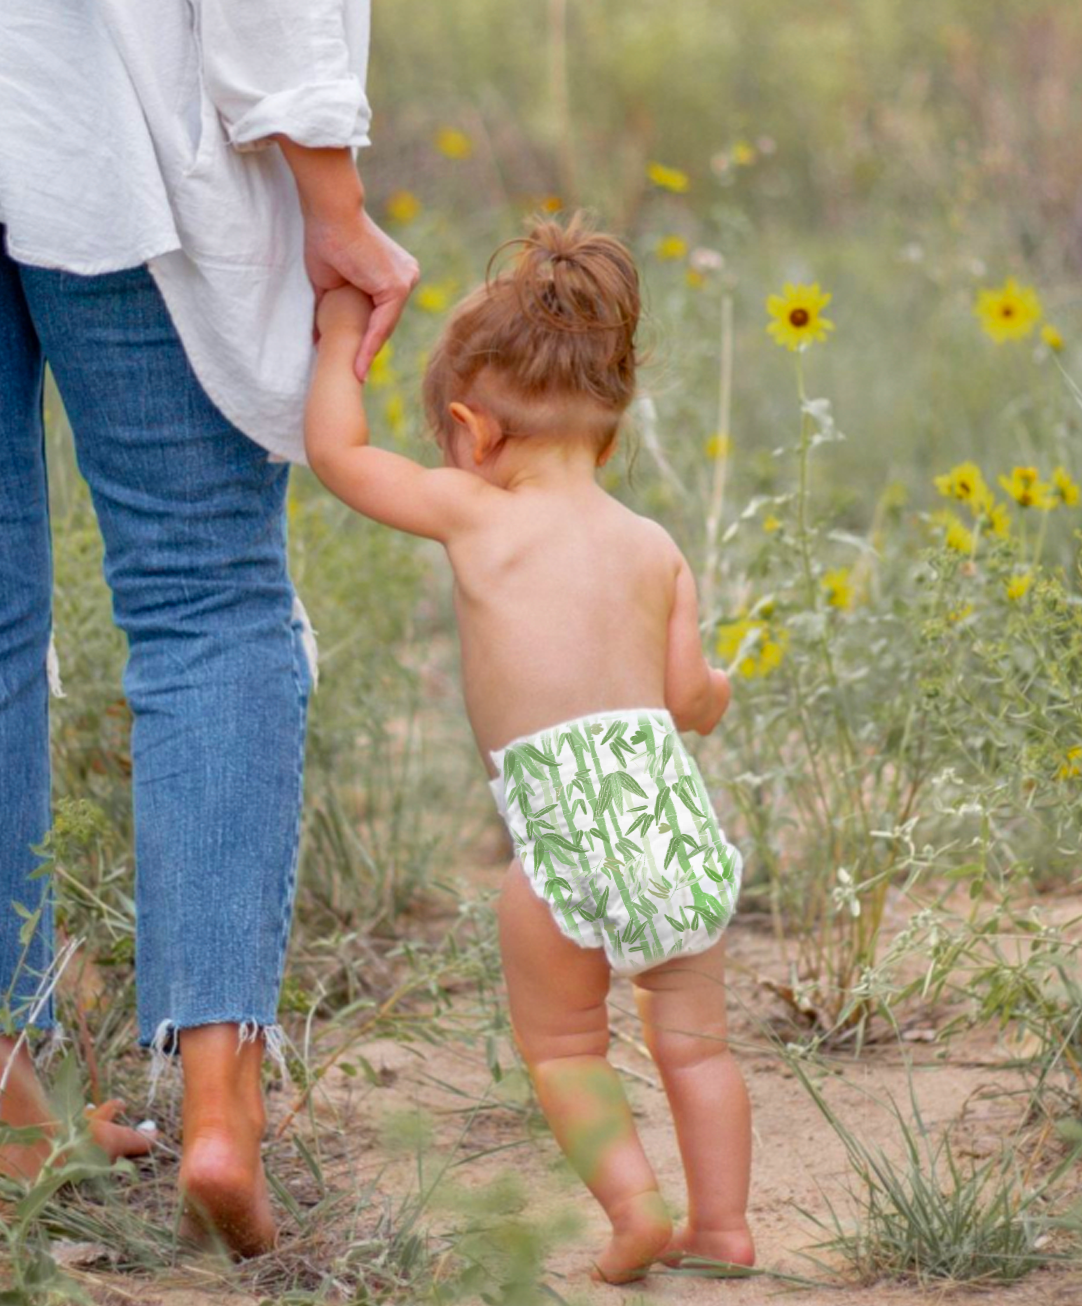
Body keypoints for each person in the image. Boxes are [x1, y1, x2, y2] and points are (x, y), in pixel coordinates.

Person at [0, 0, 416, 1255]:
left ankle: (0, 1097)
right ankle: (218, 1110)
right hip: (104, 109)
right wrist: (330, 197)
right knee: (205, 595)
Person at [304, 214, 755, 1283]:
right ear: (607, 426)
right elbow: (690, 700)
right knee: (695, 1044)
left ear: (472, 430)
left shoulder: (474, 514)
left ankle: (635, 1209)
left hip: (561, 839)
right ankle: (725, 1228)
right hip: (670, 827)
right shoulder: (654, 548)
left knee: (564, 1048)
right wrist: (718, 689)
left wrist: (335, 336)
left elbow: (336, 453)